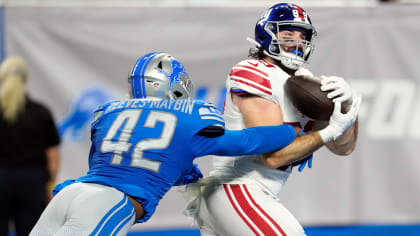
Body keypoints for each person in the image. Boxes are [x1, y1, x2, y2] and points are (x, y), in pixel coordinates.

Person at [29, 52, 303, 235]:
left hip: (71, 193)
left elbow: (113, 165)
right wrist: (291, 131)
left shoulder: (109, 110)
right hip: (109, 202)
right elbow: (246, 142)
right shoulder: (189, 115)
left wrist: (174, 171)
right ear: (172, 84)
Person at [185, 3, 361, 236]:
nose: (297, 42)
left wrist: (346, 107)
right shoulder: (255, 71)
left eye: (302, 36)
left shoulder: (304, 84)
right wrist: (330, 130)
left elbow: (344, 147)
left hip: (251, 194)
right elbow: (273, 156)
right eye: (288, 34)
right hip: (237, 190)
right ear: (266, 35)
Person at [0, 56, 60, 236]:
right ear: (25, 80)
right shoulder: (41, 112)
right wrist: (50, 187)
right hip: (32, 182)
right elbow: (53, 156)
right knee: (31, 232)